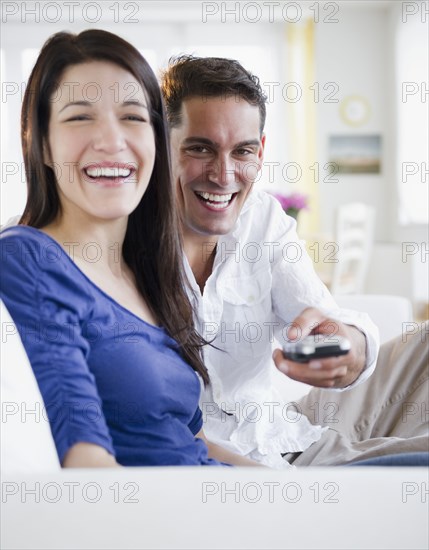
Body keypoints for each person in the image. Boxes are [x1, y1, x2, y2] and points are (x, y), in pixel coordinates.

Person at [0, 31, 260, 468]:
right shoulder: (29, 259)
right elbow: (87, 464)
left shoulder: (147, 272)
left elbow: (192, 440)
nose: (112, 141)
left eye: (133, 117)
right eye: (80, 117)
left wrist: (286, 491)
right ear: (41, 143)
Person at [160, 55, 429, 468]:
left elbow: (325, 316)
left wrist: (348, 349)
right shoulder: (122, 239)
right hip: (239, 457)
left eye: (243, 151)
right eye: (200, 148)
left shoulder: (263, 218)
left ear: (261, 151)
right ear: (162, 146)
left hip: (285, 427)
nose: (223, 174)